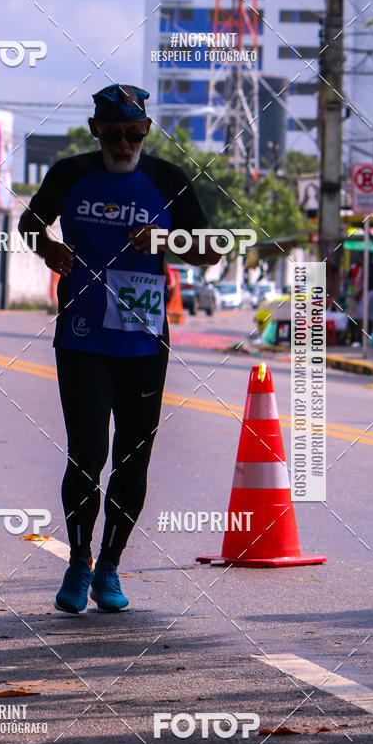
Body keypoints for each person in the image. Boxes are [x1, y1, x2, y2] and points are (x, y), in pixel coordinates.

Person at [18, 83, 220, 613]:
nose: (123, 143)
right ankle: (77, 560)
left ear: (147, 131)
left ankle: (109, 566)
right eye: (113, 133)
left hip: (143, 338)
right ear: (95, 131)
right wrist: (49, 247)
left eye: (133, 134)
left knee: (133, 458)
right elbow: (29, 223)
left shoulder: (168, 179)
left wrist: (166, 242)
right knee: (87, 451)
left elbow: (211, 250)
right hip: (82, 335)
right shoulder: (69, 174)